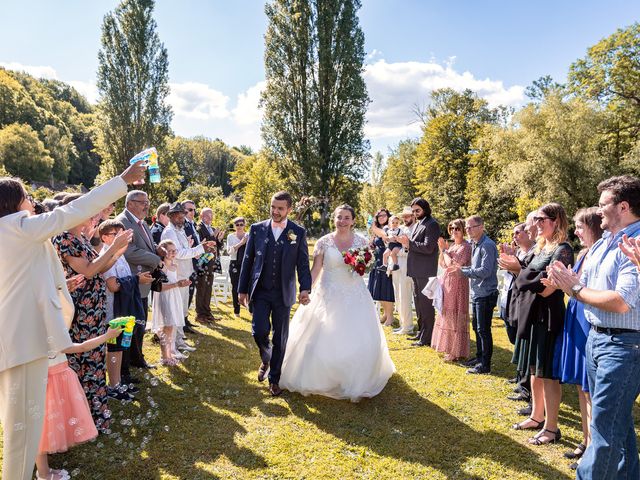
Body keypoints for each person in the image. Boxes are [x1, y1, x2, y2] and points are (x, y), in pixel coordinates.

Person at [0, 161, 144, 480]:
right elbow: (69, 213)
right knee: (22, 430)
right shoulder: (18, 226)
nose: (32, 203)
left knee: (22, 427)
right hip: (24, 344)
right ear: (13, 204)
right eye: (26, 197)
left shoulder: (14, 233)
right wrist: (121, 181)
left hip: (21, 342)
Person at [548, 176, 640, 479]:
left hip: (624, 347)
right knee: (617, 424)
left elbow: (621, 301)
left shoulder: (635, 243)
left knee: (603, 429)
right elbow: (585, 284)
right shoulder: (602, 244)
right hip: (596, 340)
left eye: (603, 205)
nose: (598, 211)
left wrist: (574, 290)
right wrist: (566, 280)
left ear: (623, 207)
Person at [280, 205, 395, 401]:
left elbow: (365, 266)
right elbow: (316, 269)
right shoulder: (324, 242)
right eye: (339, 217)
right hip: (328, 293)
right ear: (334, 219)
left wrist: (361, 264)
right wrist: (306, 289)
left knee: (357, 335)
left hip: (355, 294)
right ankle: (323, 375)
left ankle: (356, 375)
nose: (342, 221)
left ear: (353, 220)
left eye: (346, 217)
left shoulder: (362, 241)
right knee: (322, 335)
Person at [52, 195, 134, 433]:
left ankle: (94, 415)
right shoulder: (65, 237)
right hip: (79, 310)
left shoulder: (80, 237)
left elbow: (100, 266)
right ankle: (81, 418)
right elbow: (88, 271)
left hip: (93, 307)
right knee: (84, 360)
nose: (93, 215)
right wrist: (114, 248)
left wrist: (117, 252)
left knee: (96, 357)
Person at [238, 191, 312, 397]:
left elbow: (303, 264)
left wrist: (305, 288)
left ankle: (275, 379)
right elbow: (248, 260)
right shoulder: (256, 229)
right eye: (273, 207)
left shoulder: (297, 231)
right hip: (260, 290)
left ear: (289, 209)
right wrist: (242, 289)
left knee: (280, 337)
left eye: (280, 208)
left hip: (283, 292)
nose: (275, 211)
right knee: (258, 331)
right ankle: (266, 358)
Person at [510, 203, 573, 446]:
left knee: (548, 374)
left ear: (556, 220)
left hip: (549, 315)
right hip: (532, 313)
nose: (536, 224)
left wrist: (525, 275)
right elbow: (526, 278)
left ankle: (552, 427)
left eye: (542, 219)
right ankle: (537, 416)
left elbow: (548, 290)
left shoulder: (563, 249)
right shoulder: (540, 247)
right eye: (535, 219)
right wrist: (526, 275)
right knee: (534, 370)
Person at [551, 207, 602, 470]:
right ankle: (585, 439)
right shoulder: (584, 253)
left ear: (593, 226)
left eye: (581, 227)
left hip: (588, 321)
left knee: (590, 388)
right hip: (576, 316)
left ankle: (593, 448)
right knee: (582, 388)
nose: (577, 231)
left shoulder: (601, 252)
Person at [36, 326, 122, 480]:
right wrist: (107, 336)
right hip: (48, 385)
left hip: (57, 382)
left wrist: (107, 336)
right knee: (42, 430)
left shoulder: (48, 335)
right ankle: (43, 473)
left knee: (51, 426)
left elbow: (82, 346)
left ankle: (46, 470)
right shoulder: (41, 337)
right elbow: (82, 346)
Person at [100, 220, 151, 401]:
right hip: (113, 310)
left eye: (124, 235)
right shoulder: (106, 255)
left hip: (123, 308)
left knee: (120, 346)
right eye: (117, 235)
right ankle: (113, 386)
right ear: (105, 237)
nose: (123, 239)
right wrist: (136, 280)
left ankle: (118, 381)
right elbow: (113, 285)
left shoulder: (119, 254)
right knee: (113, 346)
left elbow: (125, 278)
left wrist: (136, 279)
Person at [115, 190, 164, 373]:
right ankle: (125, 365)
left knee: (141, 323)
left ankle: (137, 358)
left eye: (147, 201)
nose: (147, 205)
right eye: (142, 202)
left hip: (143, 281)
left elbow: (145, 245)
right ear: (130, 204)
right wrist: (155, 259)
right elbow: (129, 251)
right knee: (131, 325)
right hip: (131, 280)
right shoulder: (122, 222)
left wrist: (158, 249)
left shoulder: (140, 222)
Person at [161, 202, 216, 354]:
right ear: (171, 216)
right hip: (175, 277)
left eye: (183, 215)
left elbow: (187, 251)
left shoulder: (179, 230)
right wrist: (200, 248)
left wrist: (201, 250)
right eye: (178, 215)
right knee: (175, 313)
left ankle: (179, 341)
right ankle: (172, 346)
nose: (182, 218)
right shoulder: (170, 231)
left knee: (182, 311)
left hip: (184, 274)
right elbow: (178, 253)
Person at [447, 215, 498, 373]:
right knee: (477, 327)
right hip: (478, 292)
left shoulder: (487, 245)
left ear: (481, 226)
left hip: (486, 293)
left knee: (483, 329)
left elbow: (486, 271)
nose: (467, 230)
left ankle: (485, 364)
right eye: (467, 228)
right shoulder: (475, 244)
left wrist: (462, 272)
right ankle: (479, 357)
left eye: (470, 227)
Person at [397, 198, 440, 346]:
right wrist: (407, 245)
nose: (415, 213)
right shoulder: (418, 224)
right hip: (415, 269)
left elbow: (428, 248)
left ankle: (427, 337)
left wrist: (409, 243)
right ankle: (421, 332)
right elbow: (414, 246)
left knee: (426, 305)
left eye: (418, 210)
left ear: (425, 209)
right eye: (413, 211)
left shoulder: (432, 224)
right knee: (419, 303)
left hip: (425, 270)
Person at [432, 219, 472, 361]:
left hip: (459, 284)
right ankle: (449, 347)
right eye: (452, 228)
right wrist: (442, 251)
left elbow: (453, 266)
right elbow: (443, 264)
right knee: (447, 314)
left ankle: (456, 351)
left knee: (455, 314)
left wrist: (444, 250)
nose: (454, 231)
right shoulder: (453, 246)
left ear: (463, 230)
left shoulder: (465, 247)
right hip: (448, 282)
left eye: (457, 228)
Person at [151, 239, 192, 366]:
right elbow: (160, 287)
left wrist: (182, 283)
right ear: (164, 252)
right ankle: (164, 357)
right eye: (170, 251)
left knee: (171, 326)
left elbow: (175, 281)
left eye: (175, 250)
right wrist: (176, 284)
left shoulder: (175, 265)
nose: (174, 253)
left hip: (174, 296)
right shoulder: (161, 266)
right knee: (166, 327)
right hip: (164, 296)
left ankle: (169, 353)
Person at [196, 207, 225, 324]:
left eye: (211, 215)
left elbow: (217, 246)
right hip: (203, 262)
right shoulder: (198, 228)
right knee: (201, 288)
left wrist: (220, 239)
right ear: (202, 216)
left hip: (212, 263)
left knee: (208, 288)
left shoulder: (212, 229)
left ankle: (207, 312)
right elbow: (203, 243)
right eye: (208, 215)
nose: (211, 217)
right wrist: (213, 235)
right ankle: (200, 314)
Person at [368, 208, 396, 326]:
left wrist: (373, 227)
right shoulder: (376, 230)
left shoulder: (389, 229)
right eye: (379, 216)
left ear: (388, 216)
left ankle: (390, 316)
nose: (381, 218)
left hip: (386, 262)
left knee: (385, 289)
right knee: (378, 289)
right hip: (377, 261)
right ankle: (385, 313)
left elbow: (385, 236)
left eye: (383, 215)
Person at [391, 207, 416, 335]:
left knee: (405, 296)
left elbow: (410, 250)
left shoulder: (415, 229)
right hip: (398, 267)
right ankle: (403, 324)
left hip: (407, 266)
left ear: (413, 216)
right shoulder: (402, 229)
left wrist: (399, 252)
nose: (405, 218)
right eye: (404, 216)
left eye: (408, 216)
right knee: (399, 296)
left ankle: (408, 327)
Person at [227, 217, 249, 318]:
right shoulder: (230, 237)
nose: (239, 226)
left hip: (246, 263)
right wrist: (241, 243)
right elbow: (229, 251)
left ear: (244, 225)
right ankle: (237, 310)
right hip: (234, 263)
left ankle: (250, 307)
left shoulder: (248, 235)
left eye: (241, 224)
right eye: (237, 225)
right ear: (234, 226)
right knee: (235, 287)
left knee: (248, 286)